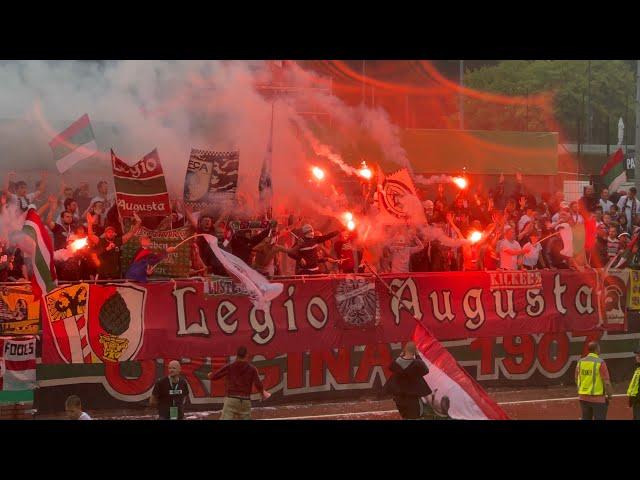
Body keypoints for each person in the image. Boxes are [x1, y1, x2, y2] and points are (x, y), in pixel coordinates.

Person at [208, 346, 270, 420]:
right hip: (245, 401)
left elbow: (215, 376)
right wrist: (262, 393)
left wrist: (210, 375)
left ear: (237, 355)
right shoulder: (252, 369)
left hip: (231, 399)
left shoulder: (230, 367)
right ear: (247, 355)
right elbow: (258, 384)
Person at [384, 341, 431, 419]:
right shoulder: (417, 364)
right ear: (414, 352)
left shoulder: (395, 363)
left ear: (404, 350)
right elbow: (425, 370)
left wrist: (401, 356)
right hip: (413, 399)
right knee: (416, 417)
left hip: (400, 399)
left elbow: (391, 366)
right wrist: (418, 355)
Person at [95, 214, 142, 280]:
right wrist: (89, 223)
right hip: (103, 274)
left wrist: (138, 222)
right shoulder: (100, 241)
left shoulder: (118, 241)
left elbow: (131, 233)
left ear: (115, 234)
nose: (110, 233)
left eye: (112, 232)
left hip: (115, 275)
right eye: (108, 232)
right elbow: (90, 235)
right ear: (105, 234)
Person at [575, 342, 613, 420]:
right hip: (598, 399)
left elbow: (576, 378)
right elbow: (607, 383)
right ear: (596, 349)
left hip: (583, 398)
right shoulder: (600, 363)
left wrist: (582, 390)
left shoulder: (581, 362)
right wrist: (609, 395)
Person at [627, 347, 640, 420]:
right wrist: (631, 398)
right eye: (636, 355)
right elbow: (635, 385)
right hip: (636, 401)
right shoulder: (638, 369)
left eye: (639, 356)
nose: (637, 357)